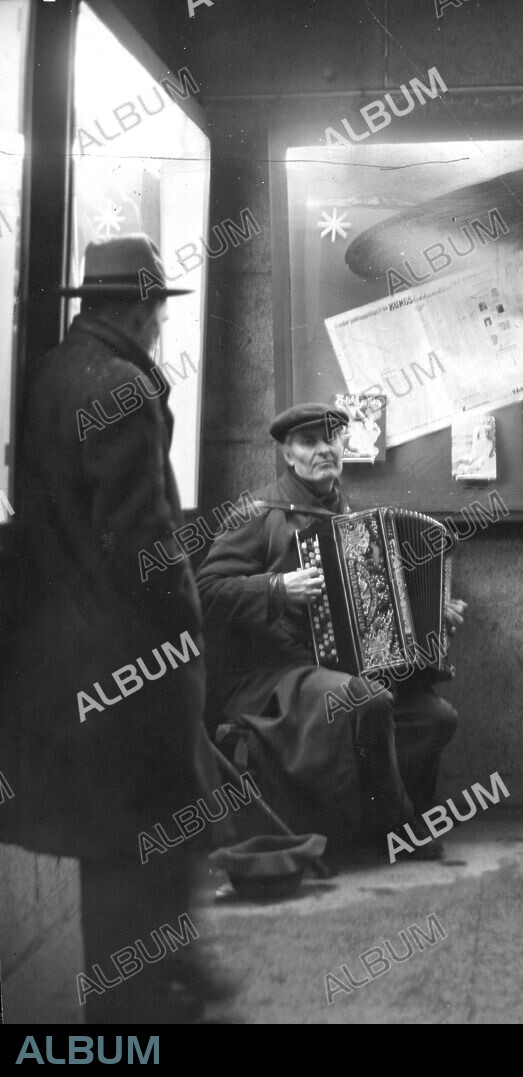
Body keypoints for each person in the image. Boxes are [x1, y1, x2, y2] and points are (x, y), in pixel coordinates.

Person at [0, 236, 233, 1022]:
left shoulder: (47, 374)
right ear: (140, 308)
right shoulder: (124, 387)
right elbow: (142, 544)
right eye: (160, 311)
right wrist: (184, 632)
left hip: (64, 657)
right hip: (132, 664)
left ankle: (156, 975)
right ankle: (144, 997)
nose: (160, 326)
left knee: (116, 841)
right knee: (149, 832)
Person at [195, 404, 465, 861]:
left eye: (331, 438)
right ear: (288, 454)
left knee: (435, 718)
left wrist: (431, 613)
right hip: (275, 674)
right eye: (308, 442)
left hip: (341, 668)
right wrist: (276, 587)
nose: (323, 449)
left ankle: (373, 823)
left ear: (344, 445)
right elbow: (204, 592)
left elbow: (381, 605)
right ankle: (398, 830)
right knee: (369, 699)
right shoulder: (258, 512)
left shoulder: (354, 518)